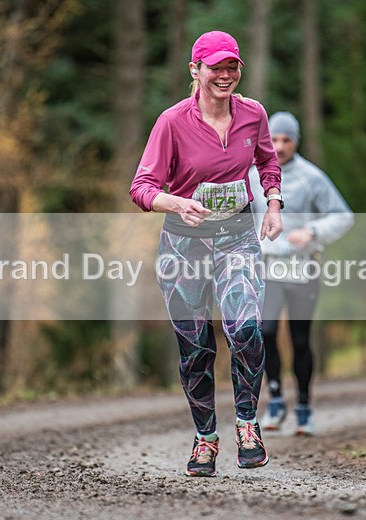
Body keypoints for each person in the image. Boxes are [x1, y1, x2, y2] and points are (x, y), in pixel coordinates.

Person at [130, 31, 282, 477]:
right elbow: (141, 188)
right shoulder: (172, 122)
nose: (226, 74)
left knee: (247, 328)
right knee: (195, 348)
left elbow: (268, 163)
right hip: (184, 241)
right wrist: (177, 202)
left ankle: (248, 425)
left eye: (232, 66)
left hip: (237, 234)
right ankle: (205, 438)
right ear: (195, 71)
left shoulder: (253, 114)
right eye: (216, 67)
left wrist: (273, 204)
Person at [249, 112, 354, 436]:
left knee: (299, 339)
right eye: (274, 139)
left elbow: (343, 217)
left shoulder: (312, 177)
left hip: (303, 266)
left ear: (296, 141)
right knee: (265, 331)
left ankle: (305, 404)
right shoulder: (253, 174)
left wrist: (311, 231)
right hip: (268, 264)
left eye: (286, 140)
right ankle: (277, 397)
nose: (279, 146)